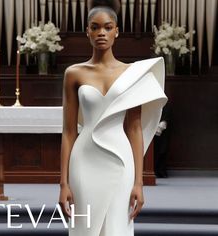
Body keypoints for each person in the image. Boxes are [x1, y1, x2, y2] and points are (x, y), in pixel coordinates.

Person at [58, 0, 168, 235]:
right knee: (85, 228)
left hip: (121, 160)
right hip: (84, 160)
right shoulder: (74, 74)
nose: (101, 33)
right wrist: (63, 183)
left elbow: (135, 128)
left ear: (117, 31)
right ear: (87, 31)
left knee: (117, 227)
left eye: (107, 27)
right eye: (95, 27)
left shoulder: (132, 74)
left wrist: (139, 182)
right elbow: (68, 131)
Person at [154, 102, 172, 178]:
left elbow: (166, 116)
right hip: (151, 128)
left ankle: (160, 171)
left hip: (161, 129)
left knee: (162, 150)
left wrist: (160, 126)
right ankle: (154, 170)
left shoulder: (165, 102)